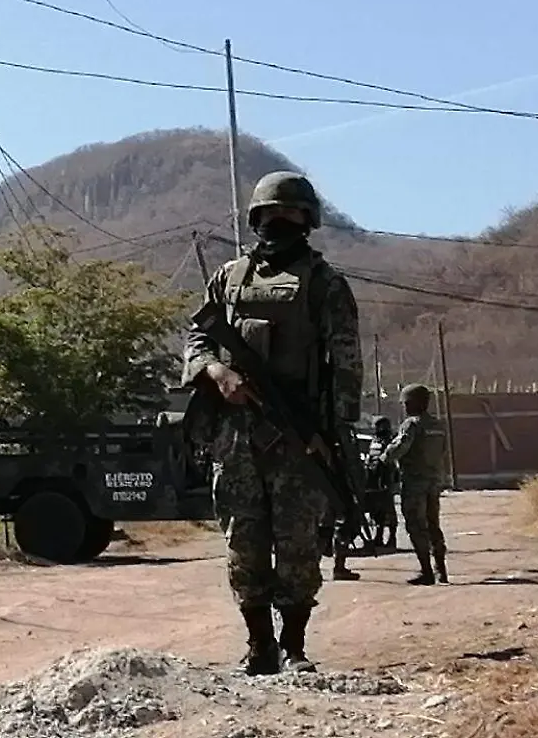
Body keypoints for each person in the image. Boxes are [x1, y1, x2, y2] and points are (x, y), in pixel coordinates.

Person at [182, 170, 363, 675]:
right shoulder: (229, 278)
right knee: (243, 541)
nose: (279, 221)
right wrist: (217, 372)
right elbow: (197, 338)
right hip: (237, 435)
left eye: (289, 213)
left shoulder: (325, 284)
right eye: (270, 213)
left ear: (307, 220)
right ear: (256, 218)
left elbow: (346, 367)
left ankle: (294, 646)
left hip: (298, 435)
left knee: (298, 542)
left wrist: (332, 436)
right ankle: (259, 645)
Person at [377, 384, 449, 584]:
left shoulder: (412, 424)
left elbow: (400, 447)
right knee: (433, 524)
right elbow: (444, 452)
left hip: (415, 482)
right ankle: (441, 569)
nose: (405, 407)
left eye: (406, 403)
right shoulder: (438, 425)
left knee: (416, 526)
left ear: (414, 403)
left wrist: (383, 459)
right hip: (434, 481)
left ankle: (426, 571)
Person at [366, 416, 399, 548]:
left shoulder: (390, 441)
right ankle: (379, 536)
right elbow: (371, 457)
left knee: (388, 509)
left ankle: (392, 538)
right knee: (376, 511)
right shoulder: (375, 441)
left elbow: (392, 461)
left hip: (386, 479)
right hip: (374, 479)